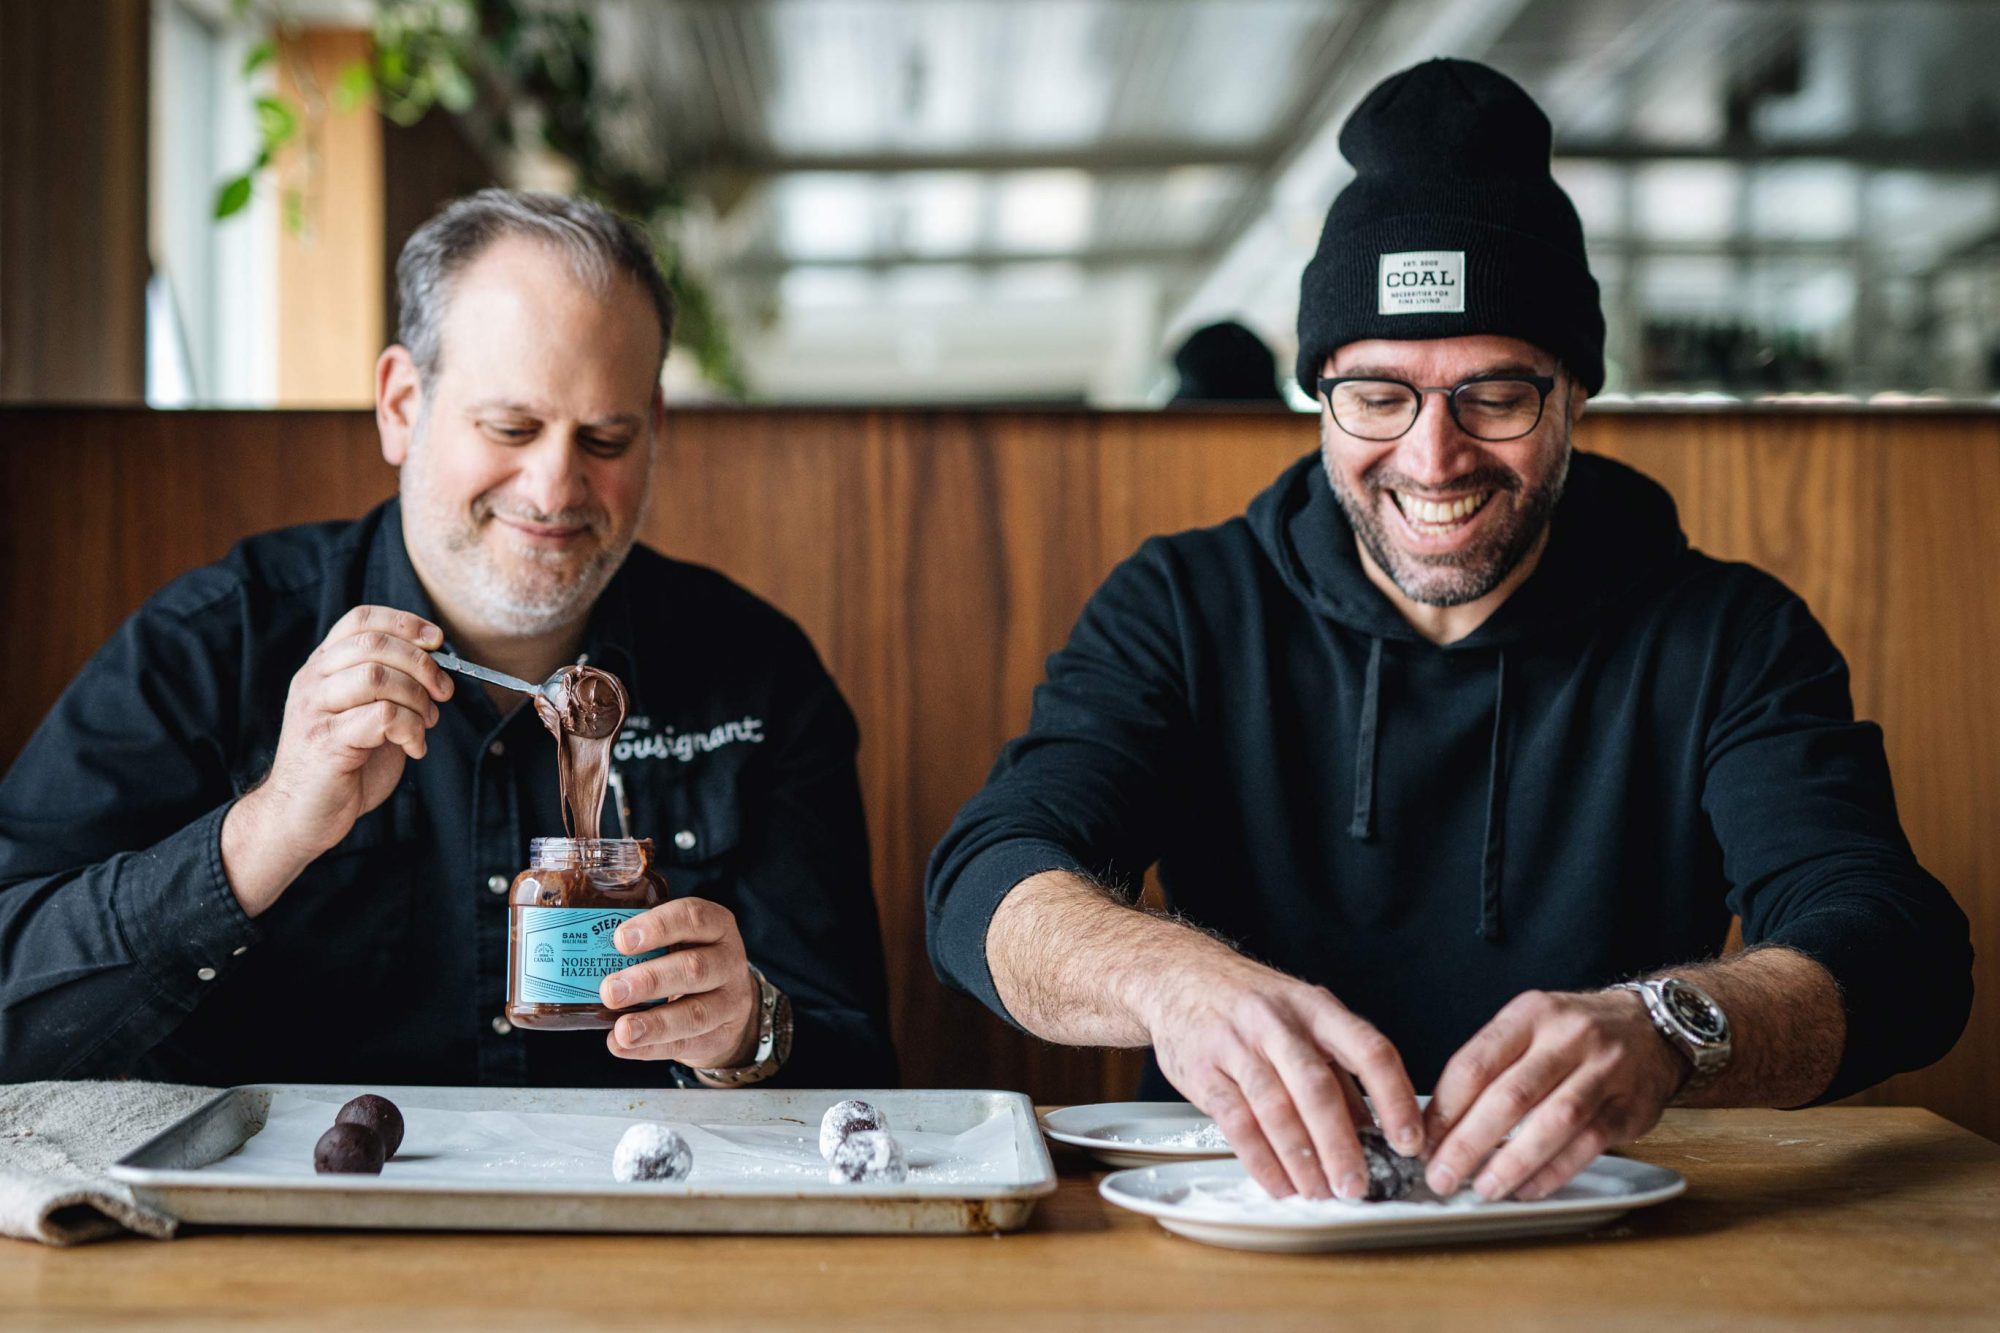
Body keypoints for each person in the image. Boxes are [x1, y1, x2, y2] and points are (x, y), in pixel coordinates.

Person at [926, 60, 1970, 1205]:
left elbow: (1893, 946)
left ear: (1572, 391)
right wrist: (1170, 981)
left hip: (1597, 1223)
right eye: (1378, 395)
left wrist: (1667, 1025)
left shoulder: (1724, 632)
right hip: (1243, 1221)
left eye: (1495, 394)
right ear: (1321, 389)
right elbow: (987, 875)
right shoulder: (1182, 602)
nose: (1432, 458)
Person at [0, 189, 895, 1089]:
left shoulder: (757, 672)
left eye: (607, 438)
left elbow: (861, 1063)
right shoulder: (216, 643)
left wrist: (749, 1031)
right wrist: (263, 832)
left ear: (655, 431)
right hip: (288, 1222)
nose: (554, 487)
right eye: (510, 427)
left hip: (640, 1221)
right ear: (400, 404)